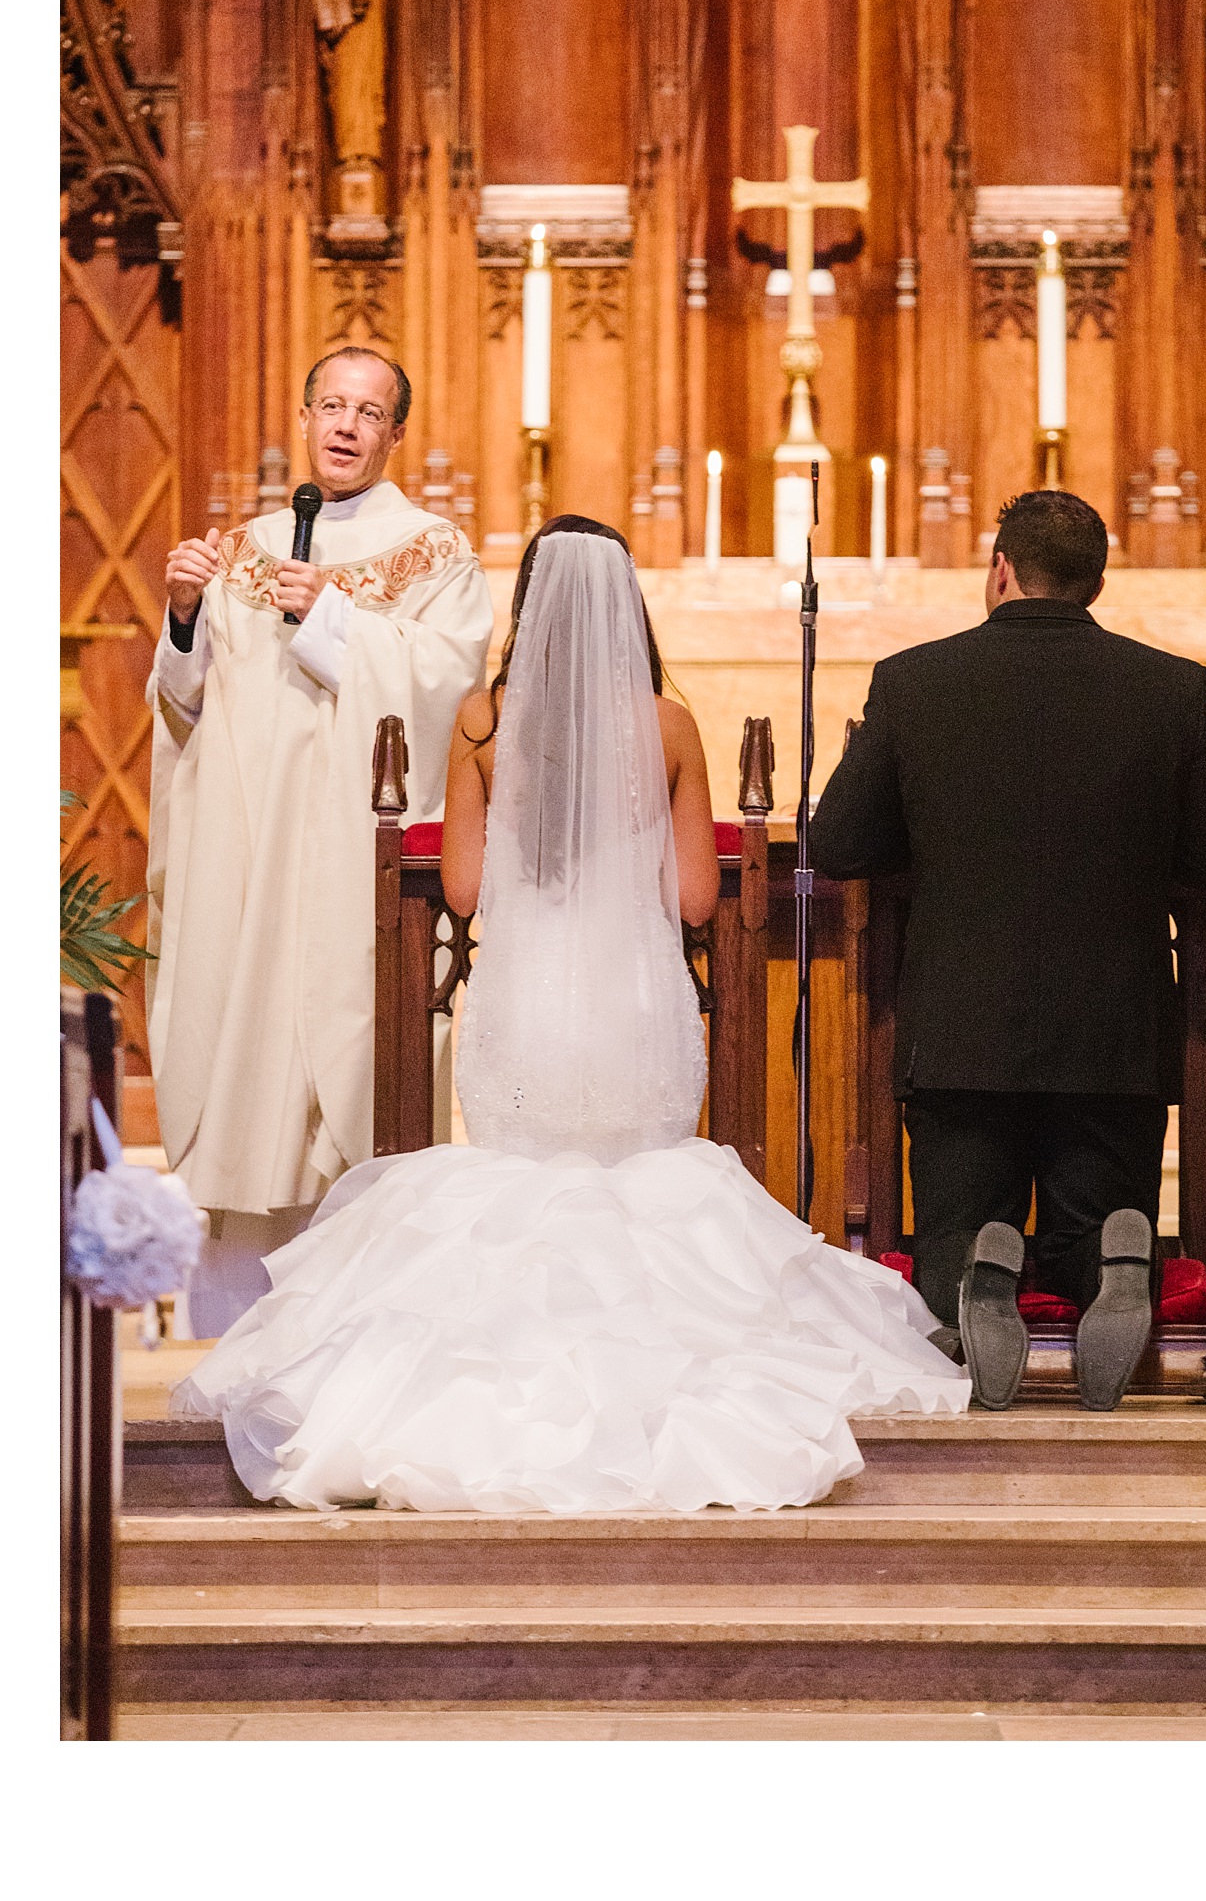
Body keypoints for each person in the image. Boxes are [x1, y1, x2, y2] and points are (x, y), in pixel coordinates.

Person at [172, 520, 966, 1511]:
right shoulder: (666, 724)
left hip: (528, 1005)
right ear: (625, 603)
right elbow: (691, 898)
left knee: (521, 1190)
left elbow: (461, 889)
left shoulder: (480, 721)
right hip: (632, 1006)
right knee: (645, 1191)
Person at [809, 489, 1206, 1413]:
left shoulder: (914, 681)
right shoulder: (1171, 687)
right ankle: (1112, 1258)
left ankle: (973, 1269)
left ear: (1000, 568)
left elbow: (840, 844)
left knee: (954, 1220)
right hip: (1114, 1036)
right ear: (1096, 581)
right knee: (1090, 1211)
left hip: (961, 1030)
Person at [147, 348, 494, 1335]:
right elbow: (186, 709)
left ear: (395, 433)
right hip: (250, 867)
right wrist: (181, 621)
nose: (346, 426)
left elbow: (449, 689)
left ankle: (361, 1326)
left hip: (355, 866)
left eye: (369, 412)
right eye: (331, 406)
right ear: (303, 417)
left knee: (346, 1069)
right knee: (247, 1068)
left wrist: (333, 618)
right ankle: (235, 1324)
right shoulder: (245, 547)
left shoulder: (433, 549)